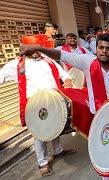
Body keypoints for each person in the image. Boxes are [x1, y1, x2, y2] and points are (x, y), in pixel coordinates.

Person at [19, 33, 109, 178]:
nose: (104, 51)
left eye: (108, 48)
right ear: (96, 49)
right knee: (106, 149)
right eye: (100, 48)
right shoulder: (87, 62)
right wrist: (40, 48)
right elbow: (61, 54)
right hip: (100, 116)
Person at [0, 35, 75, 177]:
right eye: (32, 49)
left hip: (54, 101)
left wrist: (67, 79)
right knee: (39, 133)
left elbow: (63, 73)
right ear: (24, 49)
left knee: (55, 126)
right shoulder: (16, 65)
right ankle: (43, 163)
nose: (36, 52)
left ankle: (58, 151)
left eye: (37, 48)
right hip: (35, 106)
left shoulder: (48, 60)